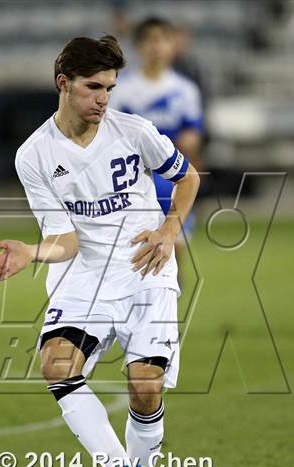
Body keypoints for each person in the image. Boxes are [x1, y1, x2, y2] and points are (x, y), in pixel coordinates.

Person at [0, 35, 199, 467]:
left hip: (146, 268)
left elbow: (187, 178)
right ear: (64, 84)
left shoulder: (134, 131)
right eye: (93, 87)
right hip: (84, 275)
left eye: (110, 87)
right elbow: (65, 239)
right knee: (57, 364)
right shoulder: (34, 155)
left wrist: (169, 229)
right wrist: (31, 251)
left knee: (144, 386)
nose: (104, 98)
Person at [110, 17, 204, 282]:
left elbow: (194, 132)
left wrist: (190, 142)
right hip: (138, 179)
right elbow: (115, 135)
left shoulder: (185, 90)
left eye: (162, 40)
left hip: (175, 178)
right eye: (149, 40)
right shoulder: (122, 89)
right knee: (137, 250)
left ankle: (171, 293)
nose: (156, 47)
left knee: (176, 245)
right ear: (138, 47)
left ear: (172, 45)